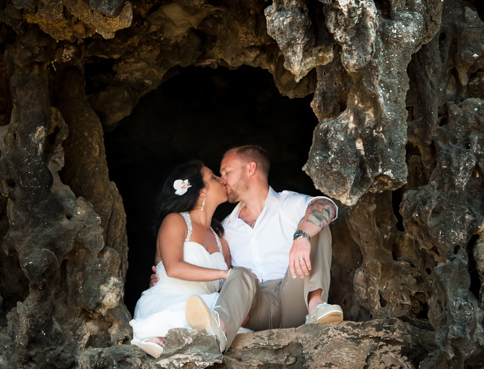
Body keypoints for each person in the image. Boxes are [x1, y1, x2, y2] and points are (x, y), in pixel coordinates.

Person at [183, 144, 343, 353]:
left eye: (227, 172)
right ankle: (218, 333)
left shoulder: (287, 203)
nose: (222, 180)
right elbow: (214, 269)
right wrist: (165, 277)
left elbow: (326, 205)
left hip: (296, 296)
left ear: (250, 169)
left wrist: (301, 237)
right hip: (257, 307)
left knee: (315, 225)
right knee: (238, 274)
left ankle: (316, 307)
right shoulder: (226, 228)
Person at [131, 159, 248, 358]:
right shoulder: (175, 220)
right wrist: (226, 273)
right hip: (169, 299)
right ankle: (159, 336)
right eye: (213, 177)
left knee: (237, 311)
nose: (222, 180)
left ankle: (194, 335)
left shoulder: (223, 243)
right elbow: (174, 268)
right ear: (201, 191)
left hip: (209, 303)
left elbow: (225, 289)